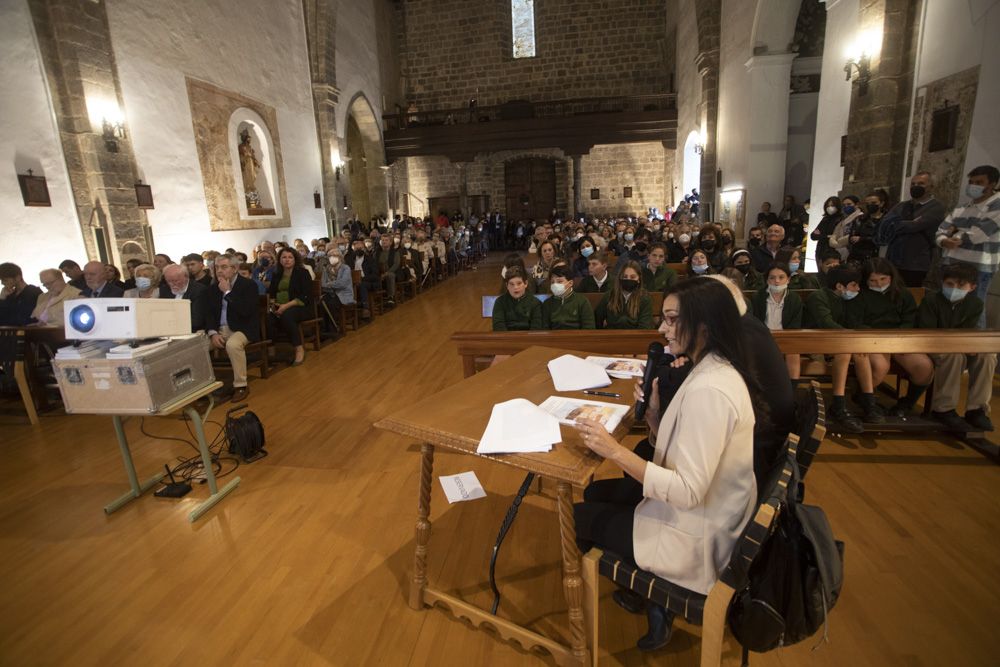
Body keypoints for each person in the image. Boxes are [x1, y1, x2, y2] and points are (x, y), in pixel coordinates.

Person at [573, 278, 759, 651]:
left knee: (577, 517)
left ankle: (652, 593)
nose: (662, 329)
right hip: (710, 511)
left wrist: (614, 450)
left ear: (704, 324)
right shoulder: (712, 367)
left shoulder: (710, 389)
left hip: (699, 535)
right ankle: (646, 593)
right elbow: (689, 452)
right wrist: (656, 421)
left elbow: (688, 490)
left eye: (672, 320)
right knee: (597, 492)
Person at [918, 263, 996, 431]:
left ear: (972, 287)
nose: (954, 289)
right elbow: (928, 331)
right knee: (954, 356)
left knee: (987, 355)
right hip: (933, 345)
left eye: (961, 285)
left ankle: (977, 409)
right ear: (942, 283)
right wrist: (960, 345)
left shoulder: (974, 304)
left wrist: (968, 344)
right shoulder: (931, 300)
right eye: (950, 284)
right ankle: (944, 408)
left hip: (959, 343)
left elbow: (968, 329)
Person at [859, 258, 934, 417]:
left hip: (900, 340)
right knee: (880, 366)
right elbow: (857, 322)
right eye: (873, 280)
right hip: (871, 341)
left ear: (891, 277)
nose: (878, 284)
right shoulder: (860, 295)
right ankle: (865, 399)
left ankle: (907, 403)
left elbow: (909, 319)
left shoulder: (903, 294)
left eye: (883, 279)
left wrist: (898, 338)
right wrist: (878, 340)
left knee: (924, 366)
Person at [803, 266, 867, 433]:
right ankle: (839, 404)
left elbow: (854, 323)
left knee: (861, 354)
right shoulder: (818, 297)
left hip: (837, 341)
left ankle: (868, 400)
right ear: (840, 286)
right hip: (814, 342)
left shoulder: (848, 300)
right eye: (854, 285)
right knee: (845, 350)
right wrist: (851, 338)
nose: (858, 289)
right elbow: (827, 324)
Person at [936, 164, 1000, 328]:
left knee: (974, 307)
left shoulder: (996, 205)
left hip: (978, 266)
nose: (973, 186)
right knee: (945, 306)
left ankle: (975, 349)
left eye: (979, 182)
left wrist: (955, 232)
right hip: (951, 263)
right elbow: (941, 230)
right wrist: (944, 240)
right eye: (971, 181)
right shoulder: (962, 207)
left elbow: (978, 235)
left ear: (992, 184)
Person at [206, 254, 261, 402]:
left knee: (233, 344)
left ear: (235, 268)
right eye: (217, 267)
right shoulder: (213, 288)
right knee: (197, 344)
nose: (219, 271)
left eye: (224, 267)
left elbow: (246, 311)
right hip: (219, 330)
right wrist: (212, 333)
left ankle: (241, 385)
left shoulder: (248, 285)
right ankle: (204, 386)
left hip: (242, 328)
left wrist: (228, 293)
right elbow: (209, 314)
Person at [881, 172, 946, 287]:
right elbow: (885, 224)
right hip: (894, 259)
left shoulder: (936, 207)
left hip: (916, 262)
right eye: (913, 184)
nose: (915, 186)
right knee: (892, 292)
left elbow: (915, 226)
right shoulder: (901, 206)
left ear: (931, 187)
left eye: (921, 183)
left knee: (913, 295)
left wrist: (900, 224)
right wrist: (909, 223)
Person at [751, 263, 803, 380]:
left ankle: (791, 391)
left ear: (788, 279)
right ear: (767, 280)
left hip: (786, 338)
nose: (777, 281)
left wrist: (784, 338)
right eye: (772, 278)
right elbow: (755, 322)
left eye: (781, 277)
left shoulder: (794, 299)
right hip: (763, 337)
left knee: (793, 352)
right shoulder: (758, 297)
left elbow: (795, 325)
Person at [268, 247, 313, 365]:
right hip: (279, 306)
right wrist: (273, 306)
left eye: (290, 257)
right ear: (280, 259)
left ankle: (298, 348)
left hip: (300, 306)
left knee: (287, 315)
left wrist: (285, 306)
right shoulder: (276, 274)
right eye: (284, 257)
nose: (287, 260)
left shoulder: (302, 273)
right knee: (267, 317)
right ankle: (270, 349)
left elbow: (306, 296)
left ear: (295, 259)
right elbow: (271, 293)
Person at [595, 261, 654, 329]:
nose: (628, 279)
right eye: (625, 277)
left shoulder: (644, 298)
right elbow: (597, 319)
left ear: (639, 279)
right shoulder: (609, 296)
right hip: (612, 336)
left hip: (636, 337)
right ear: (620, 278)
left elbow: (645, 326)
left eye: (632, 277)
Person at [541, 264, 595, 329]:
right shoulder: (547, 303)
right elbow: (545, 328)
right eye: (552, 282)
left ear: (570, 283)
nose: (555, 285)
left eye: (559, 281)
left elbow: (589, 327)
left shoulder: (582, 301)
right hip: (554, 338)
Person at [162, 264, 212, 332]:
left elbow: (196, 321)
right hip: (167, 329)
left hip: (192, 330)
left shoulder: (199, 290)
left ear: (186, 277)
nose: (172, 284)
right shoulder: (164, 289)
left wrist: (171, 323)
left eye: (175, 281)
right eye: (168, 281)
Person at [320, 248, 355, 328]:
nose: (332, 258)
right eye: (330, 256)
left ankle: (334, 328)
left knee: (332, 304)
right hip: (330, 293)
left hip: (343, 295)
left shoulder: (345, 268)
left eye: (334, 256)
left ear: (340, 257)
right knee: (322, 303)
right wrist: (331, 285)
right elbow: (323, 284)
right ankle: (325, 328)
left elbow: (342, 284)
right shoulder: (326, 269)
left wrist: (329, 284)